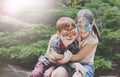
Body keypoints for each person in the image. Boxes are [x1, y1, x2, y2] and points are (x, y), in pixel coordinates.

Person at [47, 9, 100, 77]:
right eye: (79, 26)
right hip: (69, 63)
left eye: (86, 26)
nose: (82, 30)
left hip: (85, 65)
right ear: (76, 24)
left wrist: (57, 55)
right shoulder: (74, 32)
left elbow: (76, 57)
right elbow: (54, 36)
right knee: (57, 74)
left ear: (92, 24)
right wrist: (48, 52)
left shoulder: (93, 40)